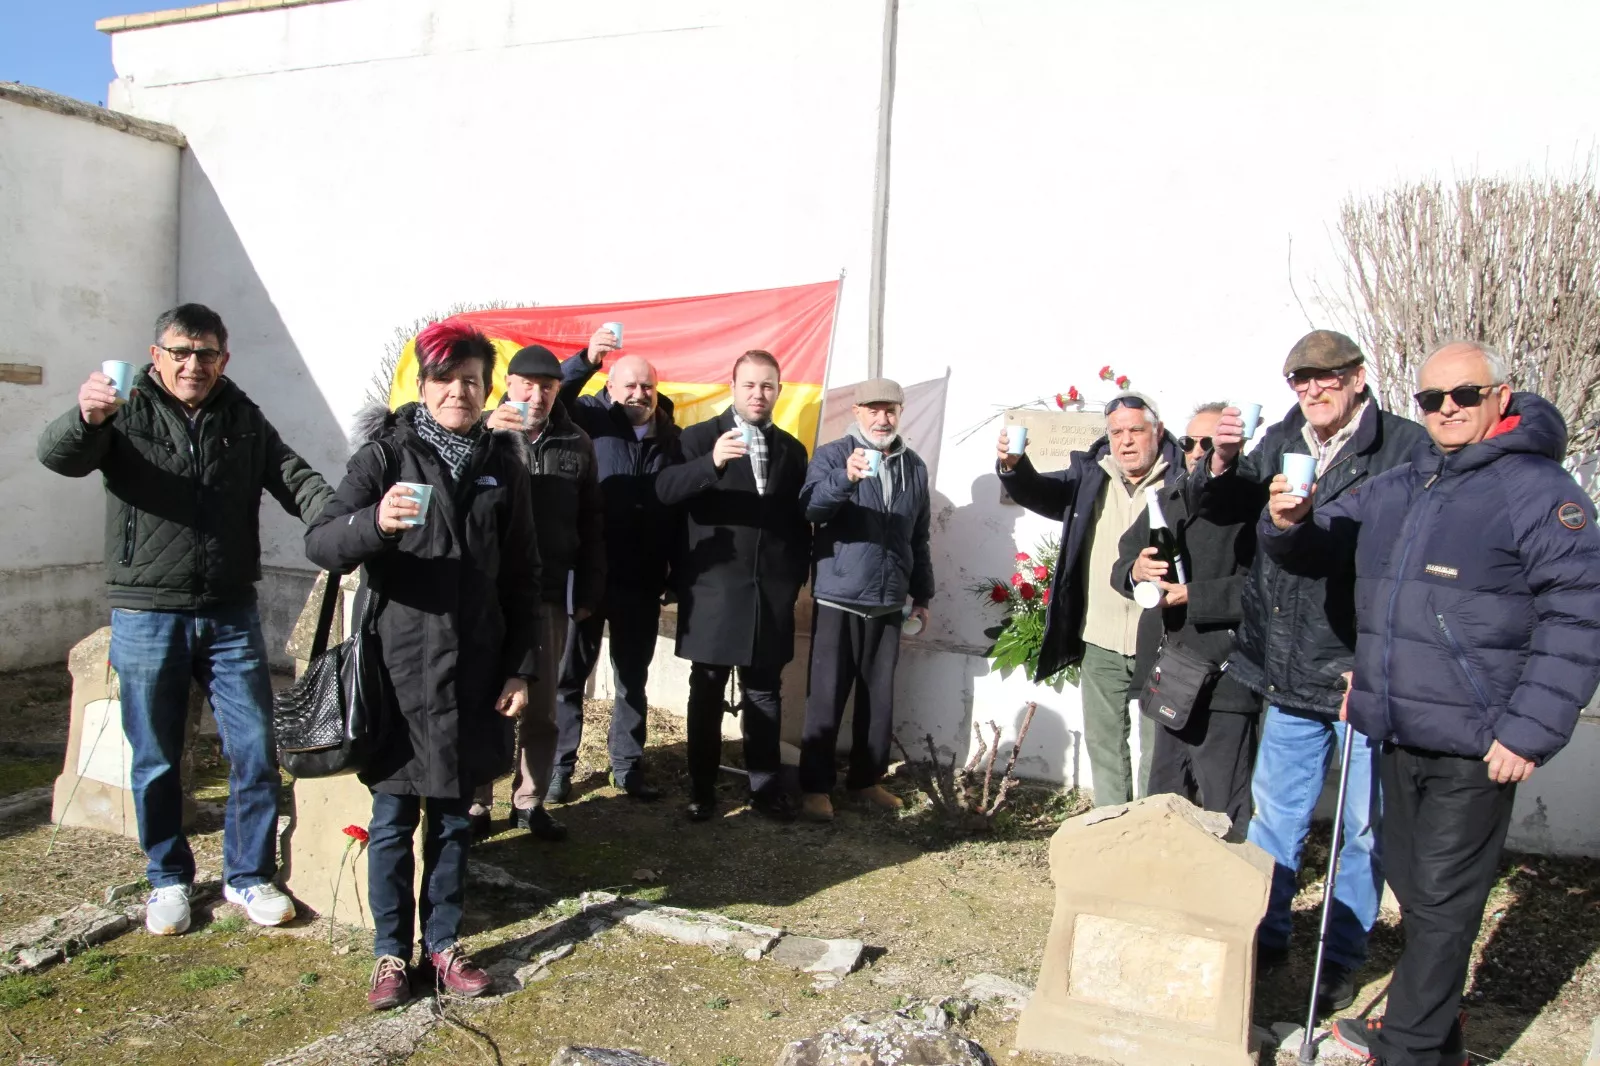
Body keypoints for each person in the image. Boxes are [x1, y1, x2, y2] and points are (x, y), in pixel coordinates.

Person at [1260, 341, 1600, 1066]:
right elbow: (1318, 541)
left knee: (1444, 900)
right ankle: (1435, 1037)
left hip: (1479, 739)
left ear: (1499, 399)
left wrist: (1530, 731)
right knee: (1419, 893)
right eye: (1430, 399)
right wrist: (1287, 521)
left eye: (1463, 396)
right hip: (1397, 726)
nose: (1446, 410)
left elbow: (1580, 619)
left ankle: (1411, 1048)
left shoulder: (1543, 494)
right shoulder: (1407, 480)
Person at [37, 303, 331, 937]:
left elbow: (295, 478)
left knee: (253, 748)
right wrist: (86, 418)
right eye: (180, 353)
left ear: (223, 359)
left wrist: (346, 524)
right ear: (156, 356)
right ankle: (167, 877)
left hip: (228, 611)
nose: (192, 365)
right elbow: (59, 456)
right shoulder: (123, 407)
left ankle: (248, 875)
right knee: (157, 758)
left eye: (205, 354)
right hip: (147, 612)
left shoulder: (242, 417)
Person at [306, 321, 541, 1010]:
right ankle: (389, 954)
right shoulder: (387, 456)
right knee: (392, 816)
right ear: (423, 385)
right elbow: (322, 540)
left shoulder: (503, 462)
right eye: (446, 378)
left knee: (453, 817)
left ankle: (442, 945)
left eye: (472, 379)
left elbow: (523, 575)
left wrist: (519, 668)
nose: (459, 391)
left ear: (486, 387)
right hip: (399, 667)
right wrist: (374, 524)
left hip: (474, 667)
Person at [1203, 329, 1428, 1011]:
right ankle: (1266, 940)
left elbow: (1407, 564)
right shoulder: (1284, 439)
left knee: (1360, 830)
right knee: (1276, 819)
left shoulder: (1404, 448)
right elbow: (1224, 511)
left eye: (1326, 379)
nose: (1312, 391)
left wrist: (1384, 658)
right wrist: (1222, 458)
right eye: (1301, 381)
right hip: (1290, 669)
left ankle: (1340, 957)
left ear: (1359, 378)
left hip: (1362, 673)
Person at [996, 391, 1184, 806]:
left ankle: (1152, 831)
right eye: (1117, 432)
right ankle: (1112, 831)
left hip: (1164, 641)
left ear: (1159, 431)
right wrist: (1013, 466)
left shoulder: (1185, 478)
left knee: (1159, 753)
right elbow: (1040, 492)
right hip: (1099, 635)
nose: (1126, 440)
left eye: (1136, 430)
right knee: (1105, 743)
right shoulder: (1092, 474)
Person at [654, 350, 812, 822]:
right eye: (749, 386)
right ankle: (702, 790)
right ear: (733, 387)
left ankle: (764, 788)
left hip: (770, 596)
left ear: (779, 391)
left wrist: (793, 580)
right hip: (715, 595)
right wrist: (711, 464)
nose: (758, 395)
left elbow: (797, 524)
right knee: (706, 692)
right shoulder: (699, 437)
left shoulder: (792, 449)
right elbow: (665, 491)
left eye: (767, 386)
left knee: (765, 693)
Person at [466, 344, 605, 841]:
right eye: (527, 384)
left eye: (546, 386)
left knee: (543, 707)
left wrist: (588, 586)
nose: (536, 394)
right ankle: (478, 802)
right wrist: (489, 437)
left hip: (548, 592)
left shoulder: (576, 441)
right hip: (487, 592)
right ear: (508, 383)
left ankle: (530, 801)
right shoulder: (479, 429)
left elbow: (590, 521)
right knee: (485, 697)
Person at [1111, 403, 1265, 835]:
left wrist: (1193, 595)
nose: (1198, 451)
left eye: (1210, 442)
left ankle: (1221, 897)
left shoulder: (1253, 502)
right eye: (1190, 442)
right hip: (1171, 675)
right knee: (1163, 797)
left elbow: (1265, 590)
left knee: (1222, 809)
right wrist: (1135, 570)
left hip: (1226, 678)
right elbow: (1123, 561)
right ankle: (1163, 892)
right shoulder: (1168, 496)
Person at [550, 330, 683, 802]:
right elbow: (551, 396)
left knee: (633, 678)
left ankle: (627, 767)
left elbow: (682, 511)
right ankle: (558, 768)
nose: (637, 394)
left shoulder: (674, 436)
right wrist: (586, 360)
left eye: (645, 385)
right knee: (568, 677)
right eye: (627, 385)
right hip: (586, 573)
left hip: (641, 579)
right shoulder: (587, 418)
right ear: (610, 387)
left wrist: (676, 575)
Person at [798, 379, 933, 822]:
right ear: (856, 412)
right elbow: (812, 510)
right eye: (873, 410)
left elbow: (919, 535)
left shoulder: (913, 465)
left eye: (890, 410)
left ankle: (866, 779)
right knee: (827, 696)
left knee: (878, 700)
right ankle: (815, 787)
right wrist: (846, 479)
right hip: (840, 596)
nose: (882, 419)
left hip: (889, 600)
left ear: (900, 412)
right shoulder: (834, 456)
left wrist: (922, 594)